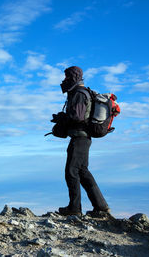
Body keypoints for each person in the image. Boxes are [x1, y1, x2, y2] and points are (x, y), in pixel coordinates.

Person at [57, 66, 110, 216]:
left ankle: (74, 208)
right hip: (83, 138)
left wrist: (63, 119)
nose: (64, 80)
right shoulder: (81, 92)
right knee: (83, 172)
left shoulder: (79, 93)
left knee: (71, 171)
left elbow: (78, 117)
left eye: (67, 77)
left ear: (74, 77)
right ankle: (101, 207)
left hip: (80, 137)